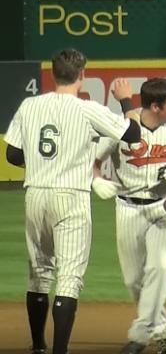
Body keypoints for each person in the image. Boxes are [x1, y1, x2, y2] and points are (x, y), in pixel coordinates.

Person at [3, 48, 141, 354]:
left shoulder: (30, 104)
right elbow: (132, 135)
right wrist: (127, 101)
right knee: (69, 279)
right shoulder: (87, 109)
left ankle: (38, 345)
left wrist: (43, 163)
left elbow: (12, 154)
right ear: (82, 75)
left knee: (39, 273)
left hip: (36, 193)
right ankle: (59, 351)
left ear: (53, 74)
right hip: (71, 197)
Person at [92, 78, 166, 354]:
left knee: (161, 267)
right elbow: (91, 160)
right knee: (134, 279)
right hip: (128, 207)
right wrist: (95, 180)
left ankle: (139, 337)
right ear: (154, 106)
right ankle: (162, 331)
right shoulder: (120, 128)